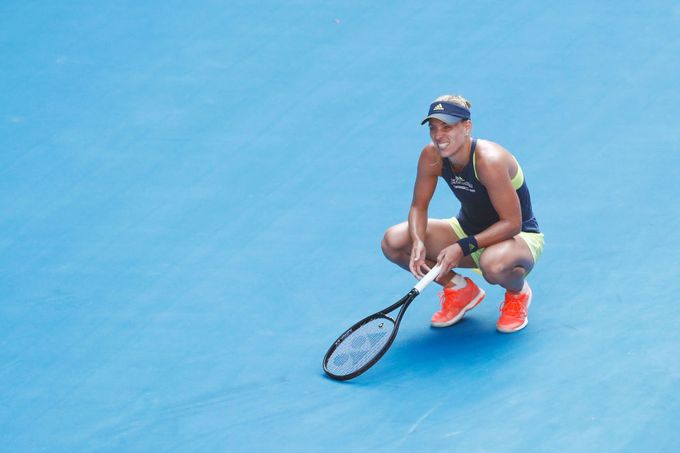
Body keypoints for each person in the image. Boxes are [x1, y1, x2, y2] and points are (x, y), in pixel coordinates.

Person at [381, 95, 544, 333]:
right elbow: (418, 207)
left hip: (516, 238)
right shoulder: (431, 156)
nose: (438, 136)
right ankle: (459, 290)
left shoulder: (489, 161)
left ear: (467, 127)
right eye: (433, 128)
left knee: (493, 265)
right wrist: (417, 242)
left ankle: (518, 293)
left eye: (446, 127)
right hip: (467, 229)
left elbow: (512, 223)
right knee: (394, 241)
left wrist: (462, 247)